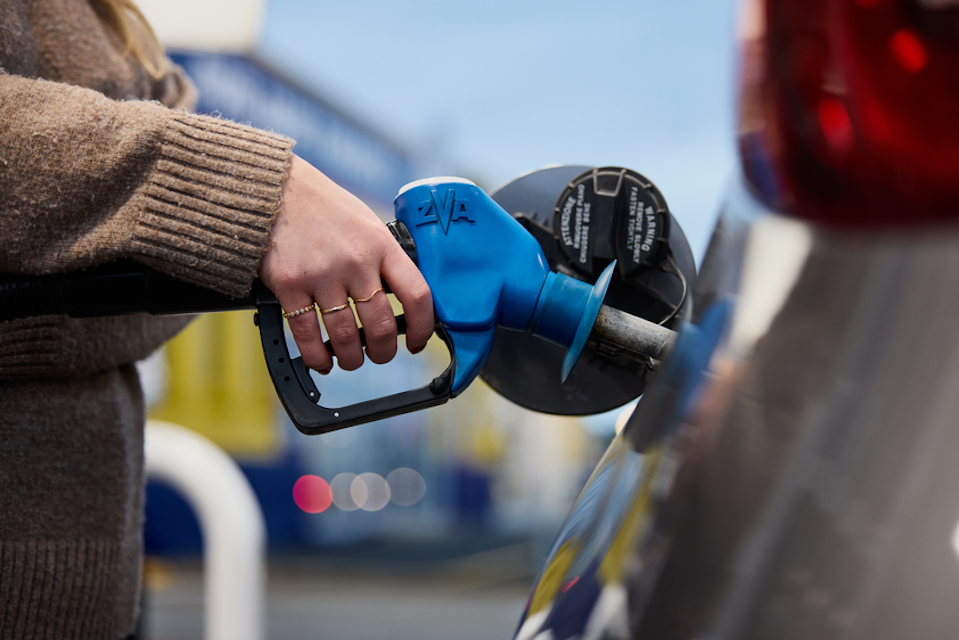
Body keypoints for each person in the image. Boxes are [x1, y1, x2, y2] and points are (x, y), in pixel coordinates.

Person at [0, 0, 434, 637]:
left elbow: (171, 287)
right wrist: (257, 191)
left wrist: (48, 289)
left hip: (89, 596)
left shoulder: (120, 27)